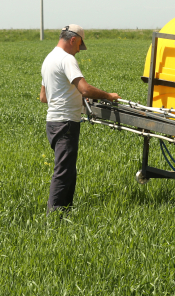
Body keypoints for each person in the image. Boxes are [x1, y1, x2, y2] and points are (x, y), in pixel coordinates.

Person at [40, 24, 120, 213]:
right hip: (66, 122)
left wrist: (74, 98)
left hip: (52, 122)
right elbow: (84, 88)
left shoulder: (49, 59)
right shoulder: (67, 59)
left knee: (67, 169)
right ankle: (56, 214)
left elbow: (44, 97)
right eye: (78, 47)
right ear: (73, 40)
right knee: (63, 171)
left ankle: (65, 210)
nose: (78, 52)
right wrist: (108, 95)